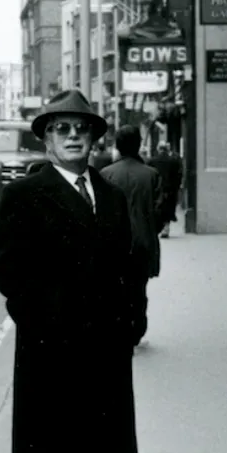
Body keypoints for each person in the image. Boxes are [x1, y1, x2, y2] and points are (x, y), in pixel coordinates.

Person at [0, 89, 138, 453]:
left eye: (81, 129)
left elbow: (127, 266)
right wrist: (41, 318)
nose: (73, 137)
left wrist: (130, 322)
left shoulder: (110, 195)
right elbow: (7, 268)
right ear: (47, 140)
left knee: (91, 447)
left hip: (103, 344)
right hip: (51, 345)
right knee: (51, 450)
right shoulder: (25, 194)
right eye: (62, 129)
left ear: (94, 138)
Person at [100, 125, 163, 347]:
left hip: (114, 244)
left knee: (116, 289)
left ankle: (121, 328)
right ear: (138, 145)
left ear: (118, 146)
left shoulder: (106, 174)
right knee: (138, 289)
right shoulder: (151, 175)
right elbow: (160, 211)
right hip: (143, 242)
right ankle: (137, 329)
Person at [147, 145, 183, 238]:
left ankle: (157, 228)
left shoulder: (152, 161)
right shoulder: (174, 161)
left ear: (158, 149)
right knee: (168, 209)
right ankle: (166, 228)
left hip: (156, 189)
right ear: (167, 150)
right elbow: (179, 175)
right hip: (170, 189)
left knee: (157, 208)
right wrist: (176, 187)